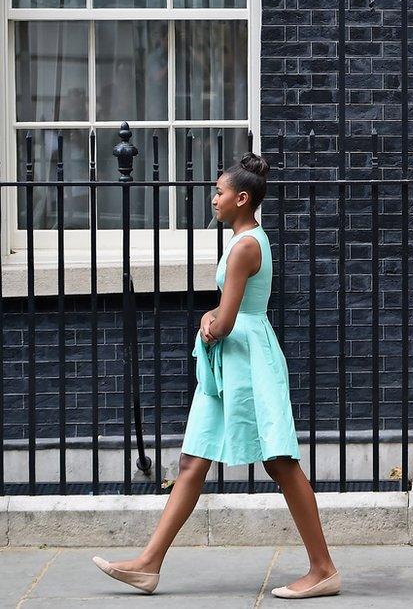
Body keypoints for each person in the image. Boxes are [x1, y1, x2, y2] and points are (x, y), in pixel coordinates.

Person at [92, 154, 342, 598]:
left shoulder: (247, 245)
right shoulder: (242, 241)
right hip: (231, 360)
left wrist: (209, 325)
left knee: (280, 461)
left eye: (220, 192)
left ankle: (323, 569)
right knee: (193, 460)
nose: (214, 199)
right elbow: (229, 309)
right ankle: (149, 564)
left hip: (246, 360)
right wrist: (213, 318)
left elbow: (226, 322)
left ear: (241, 199)